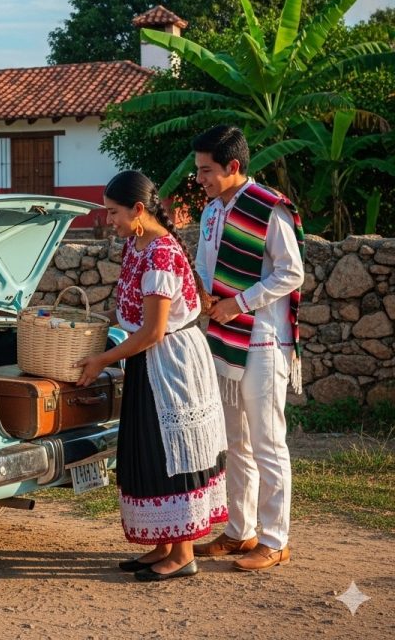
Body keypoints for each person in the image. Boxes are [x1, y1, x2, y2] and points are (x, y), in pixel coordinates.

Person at [76, 170, 228, 582]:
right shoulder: (137, 244)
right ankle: (164, 544)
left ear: (138, 209)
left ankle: (183, 554)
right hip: (149, 362)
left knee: (171, 454)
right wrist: (91, 319)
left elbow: (153, 330)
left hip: (170, 363)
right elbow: (132, 311)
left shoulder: (160, 254)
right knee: (150, 450)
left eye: (114, 212)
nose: (109, 220)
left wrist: (101, 359)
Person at [191, 125, 304, 571]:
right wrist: (203, 296)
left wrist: (237, 304)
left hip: (262, 340)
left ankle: (275, 540)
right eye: (199, 170)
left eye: (207, 170)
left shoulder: (268, 207)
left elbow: (291, 273)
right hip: (224, 337)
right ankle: (241, 530)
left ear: (233, 166)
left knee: (267, 442)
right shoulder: (211, 211)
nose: (200, 178)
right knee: (235, 440)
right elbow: (204, 264)